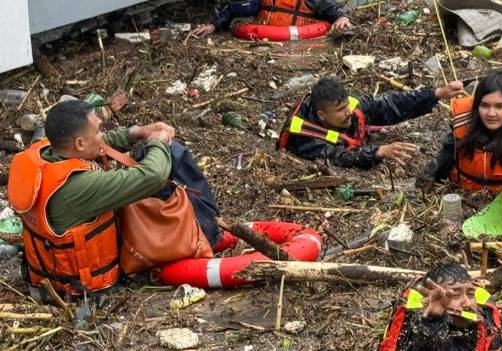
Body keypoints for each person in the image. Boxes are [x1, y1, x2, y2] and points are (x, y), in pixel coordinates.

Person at [6, 100, 233, 296]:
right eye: (97, 131)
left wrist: (139, 132)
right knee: (170, 159)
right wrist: (159, 141)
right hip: (81, 288)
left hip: (49, 273)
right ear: (80, 144)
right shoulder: (79, 186)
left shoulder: (43, 154)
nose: (101, 136)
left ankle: (207, 230)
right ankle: (208, 233)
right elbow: (153, 176)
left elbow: (104, 142)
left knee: (155, 158)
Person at [277, 77, 464, 169]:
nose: (348, 112)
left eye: (346, 105)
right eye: (341, 110)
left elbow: (390, 105)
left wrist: (436, 94)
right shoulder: (305, 138)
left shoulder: (351, 107)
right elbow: (338, 157)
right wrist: (378, 152)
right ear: (322, 115)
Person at [378, 263, 502, 351]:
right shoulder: (413, 323)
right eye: (454, 295)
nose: (467, 303)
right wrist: (432, 322)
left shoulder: (483, 311)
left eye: (470, 294)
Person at [193, 0, 352, 36]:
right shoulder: (261, 2)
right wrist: (213, 26)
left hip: (298, 42)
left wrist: (342, 17)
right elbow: (236, 9)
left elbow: (332, 10)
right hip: (263, 40)